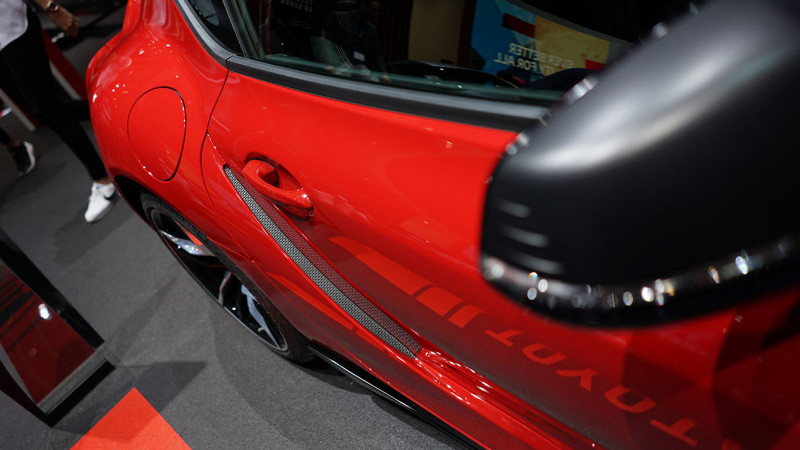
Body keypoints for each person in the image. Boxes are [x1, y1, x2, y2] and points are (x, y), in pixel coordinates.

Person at [0, 0, 115, 223]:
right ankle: (114, 109)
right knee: (43, 108)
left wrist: (51, 6)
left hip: (12, 26)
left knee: (47, 108)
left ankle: (102, 179)